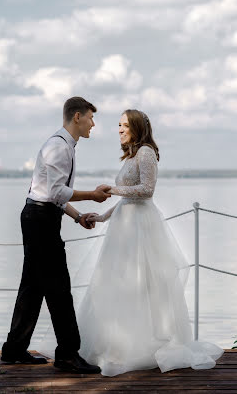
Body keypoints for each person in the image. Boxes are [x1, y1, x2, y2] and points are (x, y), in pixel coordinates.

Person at [39, 108, 224, 376]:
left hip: (140, 229)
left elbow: (146, 191)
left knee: (141, 284)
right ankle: (115, 345)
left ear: (137, 127)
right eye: (118, 125)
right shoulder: (132, 156)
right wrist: (102, 217)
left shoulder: (147, 153)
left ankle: (141, 346)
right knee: (115, 284)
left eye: (124, 125)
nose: (119, 129)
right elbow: (128, 198)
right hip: (123, 227)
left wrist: (112, 189)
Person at [1, 96, 112, 374]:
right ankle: (67, 355)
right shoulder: (58, 147)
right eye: (90, 117)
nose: (93, 124)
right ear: (77, 117)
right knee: (59, 288)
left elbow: (55, 196)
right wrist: (93, 197)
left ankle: (13, 349)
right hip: (39, 219)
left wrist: (77, 217)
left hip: (41, 216)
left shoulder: (65, 146)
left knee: (34, 286)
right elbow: (54, 193)